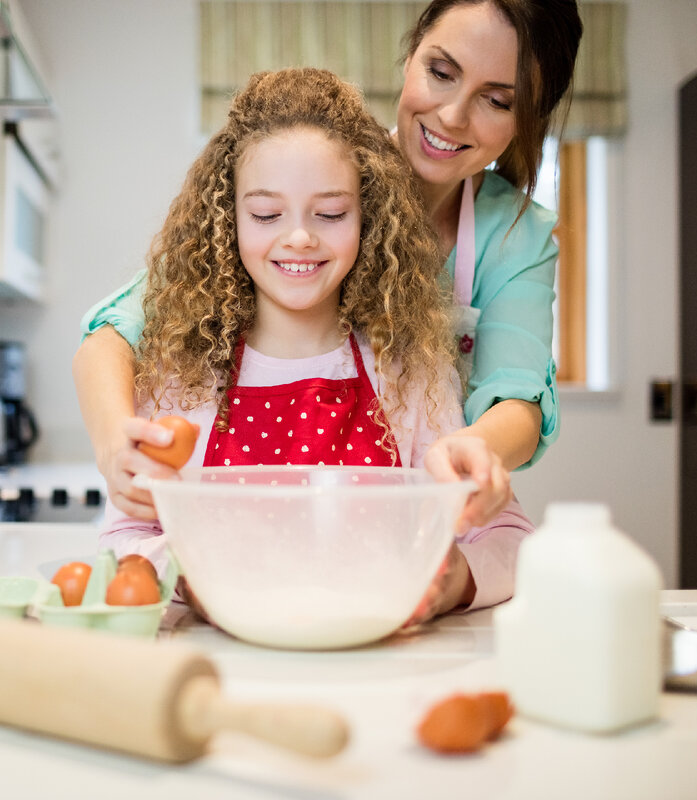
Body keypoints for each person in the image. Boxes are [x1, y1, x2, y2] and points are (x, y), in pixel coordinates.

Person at [74, 0, 583, 536]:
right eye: (441, 72)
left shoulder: (515, 236)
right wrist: (116, 449)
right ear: (410, 56)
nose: (453, 116)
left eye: (497, 101)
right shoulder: (323, 165)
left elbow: (517, 397)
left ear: (529, 118)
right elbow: (115, 331)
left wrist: (471, 449)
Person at [99, 68, 533, 622]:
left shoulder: (408, 376)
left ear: (368, 220)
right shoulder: (181, 376)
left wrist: (454, 582)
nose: (300, 236)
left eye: (330, 214)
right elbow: (124, 539)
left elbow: (512, 537)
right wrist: (192, 578)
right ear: (228, 218)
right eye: (265, 214)